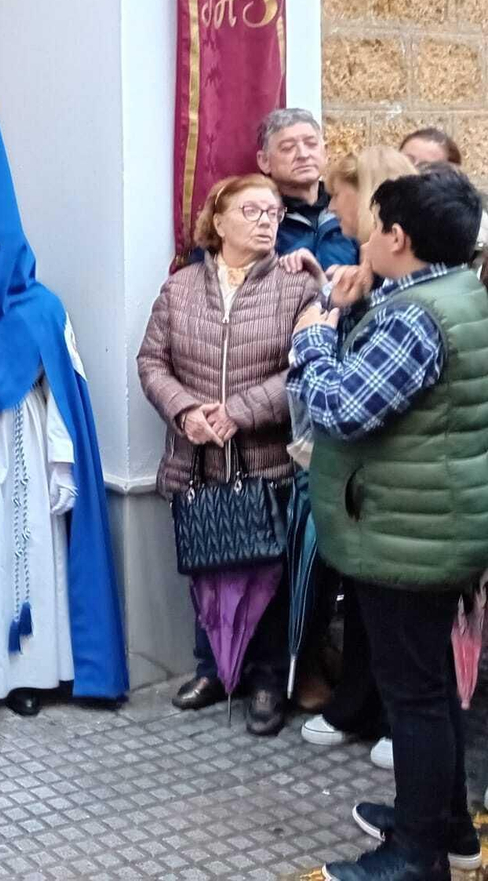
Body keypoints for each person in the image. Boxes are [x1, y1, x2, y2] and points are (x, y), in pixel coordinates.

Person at [0, 0, 128, 717]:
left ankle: (25, 672)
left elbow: (56, 386)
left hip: (17, 446)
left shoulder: (43, 306)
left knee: (24, 558)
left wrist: (58, 460)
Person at [293, 168, 488, 881]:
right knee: (431, 686)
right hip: (436, 521)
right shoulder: (458, 291)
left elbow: (344, 407)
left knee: (415, 699)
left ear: (398, 238)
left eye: (375, 227)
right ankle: (448, 827)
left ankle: (416, 854)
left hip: (411, 532)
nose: (365, 238)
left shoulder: (414, 318)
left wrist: (315, 335)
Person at [137, 174, 316, 736]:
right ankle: (213, 670)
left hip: (266, 460)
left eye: (273, 214)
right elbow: (151, 362)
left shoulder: (296, 289)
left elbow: (304, 371)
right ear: (218, 221)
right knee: (206, 564)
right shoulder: (180, 288)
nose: (267, 222)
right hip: (196, 460)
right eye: (252, 212)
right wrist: (187, 411)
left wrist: (242, 409)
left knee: (268, 570)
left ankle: (264, 679)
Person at [282, 147, 415, 756]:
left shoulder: (414, 297)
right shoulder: (371, 276)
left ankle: (398, 721)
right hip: (366, 480)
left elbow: (347, 399)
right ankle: (360, 704)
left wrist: (314, 336)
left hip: (401, 481)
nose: (332, 209)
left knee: (406, 620)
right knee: (365, 603)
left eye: (340, 196)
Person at [256, 108, 358, 269]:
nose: (303, 155)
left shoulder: (351, 207)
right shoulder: (256, 219)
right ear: (264, 161)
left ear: (326, 152)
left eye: (311, 144)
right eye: (288, 148)